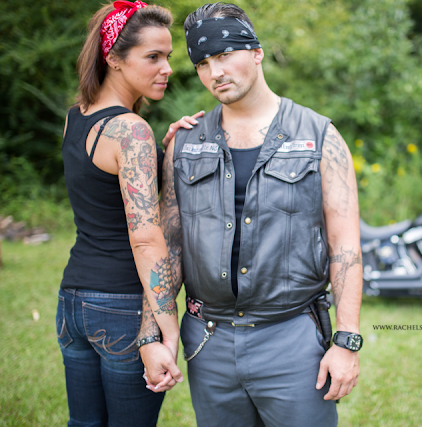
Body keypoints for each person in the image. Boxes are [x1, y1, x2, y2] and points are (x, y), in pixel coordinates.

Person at [141, 3, 364, 426]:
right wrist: (151, 334)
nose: (215, 72)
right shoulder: (184, 144)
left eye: (225, 55)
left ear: (257, 52)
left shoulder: (320, 137)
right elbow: (166, 248)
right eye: (202, 63)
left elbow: (345, 245)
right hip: (209, 342)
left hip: (293, 338)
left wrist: (346, 341)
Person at [56, 1, 193, 425]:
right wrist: (167, 329)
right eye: (153, 57)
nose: (167, 68)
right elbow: (146, 237)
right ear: (113, 59)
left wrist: (162, 154)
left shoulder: (76, 118)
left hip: (73, 301)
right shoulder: (131, 130)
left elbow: (103, 196)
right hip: (122, 308)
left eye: (167, 56)